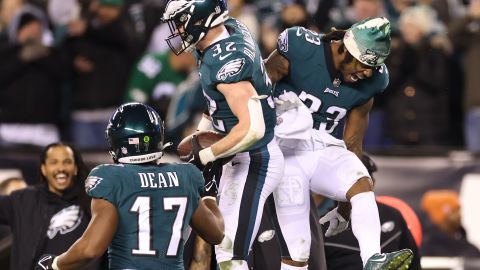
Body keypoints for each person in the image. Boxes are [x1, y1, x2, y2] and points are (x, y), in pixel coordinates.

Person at [265, 17, 413, 269]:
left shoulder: (373, 81)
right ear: (345, 47)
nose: (368, 72)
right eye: (365, 62)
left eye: (374, 66)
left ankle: (372, 259)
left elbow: (353, 142)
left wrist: (344, 209)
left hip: (323, 147)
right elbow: (255, 89)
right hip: (284, 150)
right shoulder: (302, 48)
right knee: (297, 250)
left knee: (361, 182)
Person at [162, 1, 293, 269]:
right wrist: (202, 133)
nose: (176, 29)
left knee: (230, 252)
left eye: (180, 21)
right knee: (226, 250)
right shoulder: (224, 30)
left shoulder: (226, 62)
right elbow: (217, 104)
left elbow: (252, 128)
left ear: (200, 18)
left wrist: (207, 155)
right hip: (239, 151)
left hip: (255, 157)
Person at [34, 102, 225, 270]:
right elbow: (217, 234)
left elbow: (90, 249)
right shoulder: (186, 176)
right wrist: (209, 191)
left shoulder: (111, 177)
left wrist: (55, 264)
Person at [0, 142, 98, 270]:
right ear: (43, 169)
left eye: (67, 162)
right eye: (54, 162)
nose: (61, 168)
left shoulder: (93, 200)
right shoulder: (23, 200)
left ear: (75, 168)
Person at [315, 154, 421, 270]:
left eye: (360, 181)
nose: (355, 187)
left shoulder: (393, 215)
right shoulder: (319, 227)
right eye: (348, 181)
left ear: (372, 183)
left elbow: (413, 264)